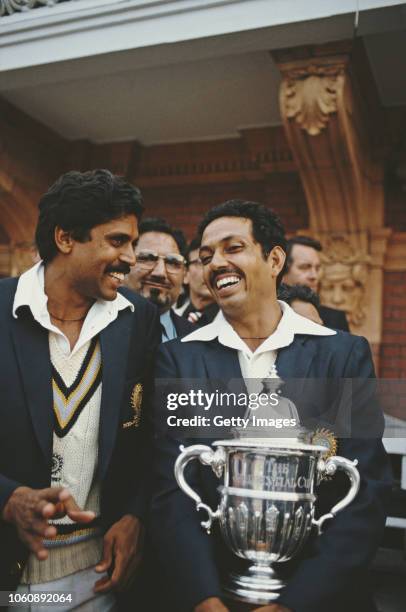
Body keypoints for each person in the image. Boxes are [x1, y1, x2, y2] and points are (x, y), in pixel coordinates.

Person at [150, 200, 391, 612]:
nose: (216, 263)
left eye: (233, 248)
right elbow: (170, 487)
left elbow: (365, 487)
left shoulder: (341, 354)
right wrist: (204, 596)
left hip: (322, 597)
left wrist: (298, 602)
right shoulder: (180, 359)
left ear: (274, 258)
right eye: (206, 256)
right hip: (212, 594)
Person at [0, 170, 161, 611]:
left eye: (133, 242)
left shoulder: (138, 319)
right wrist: (9, 499)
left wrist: (136, 515)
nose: (131, 257)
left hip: (100, 581)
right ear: (66, 238)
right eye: (116, 241)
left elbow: (153, 436)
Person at [127, 217, 194, 341]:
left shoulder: (196, 340)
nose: (160, 273)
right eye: (147, 258)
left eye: (172, 262)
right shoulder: (97, 328)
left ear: (185, 273)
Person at [282, 235, 349, 331]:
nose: (314, 276)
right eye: (305, 267)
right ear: (282, 272)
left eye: (317, 268)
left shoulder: (335, 319)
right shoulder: (267, 315)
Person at [175, 237, 219, 326]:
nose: (209, 270)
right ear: (185, 274)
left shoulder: (235, 322)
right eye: (202, 262)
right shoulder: (172, 318)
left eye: (213, 262)